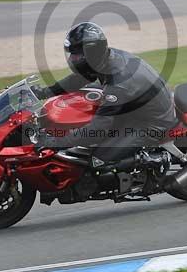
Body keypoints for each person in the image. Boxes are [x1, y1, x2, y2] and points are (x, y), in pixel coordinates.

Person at [33, 22, 176, 166]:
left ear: (91, 54)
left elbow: (98, 127)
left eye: (77, 56)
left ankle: (151, 164)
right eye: (72, 55)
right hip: (135, 108)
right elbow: (79, 79)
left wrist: (56, 142)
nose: (72, 59)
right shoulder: (104, 59)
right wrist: (45, 92)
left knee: (100, 159)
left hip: (153, 122)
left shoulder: (118, 82)